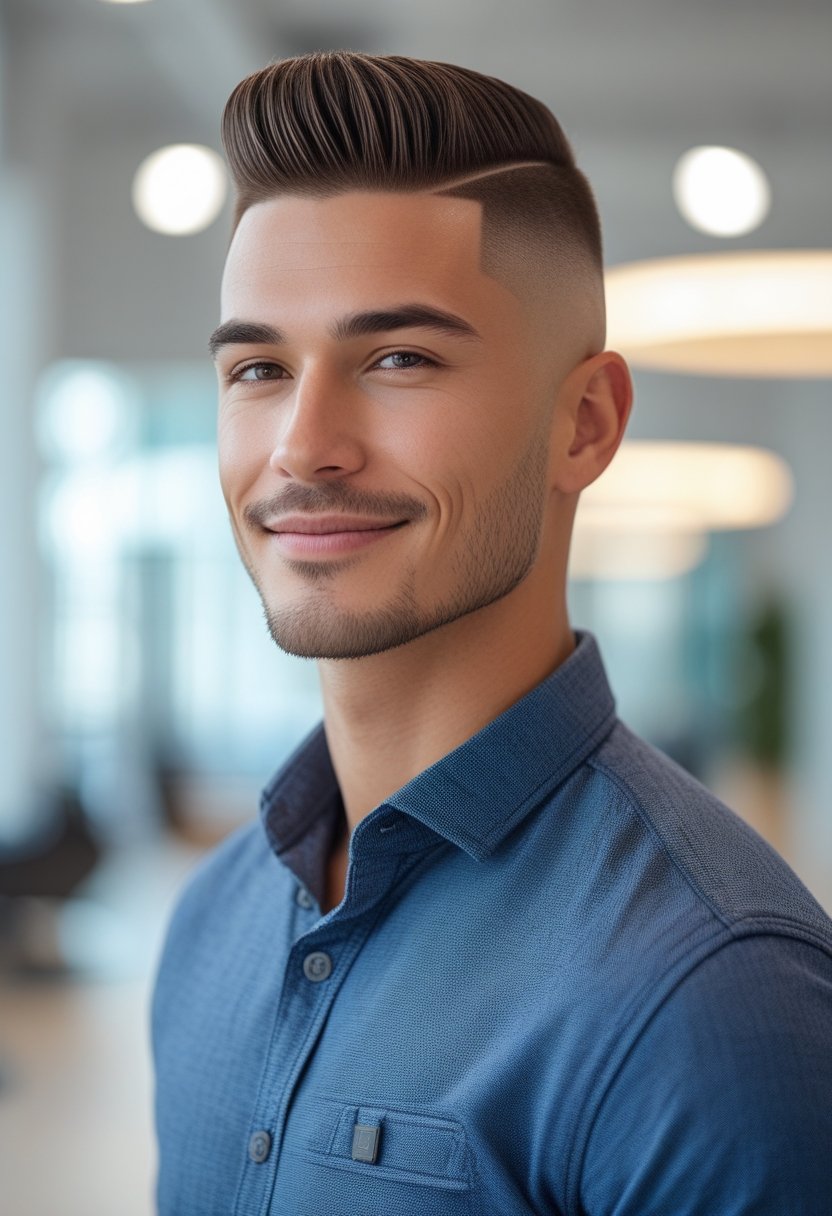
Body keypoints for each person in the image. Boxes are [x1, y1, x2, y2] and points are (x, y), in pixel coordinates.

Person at [150, 51, 832, 1215]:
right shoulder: (213, 916)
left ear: (584, 423)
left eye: (399, 358)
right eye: (258, 366)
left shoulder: (716, 997)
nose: (302, 444)